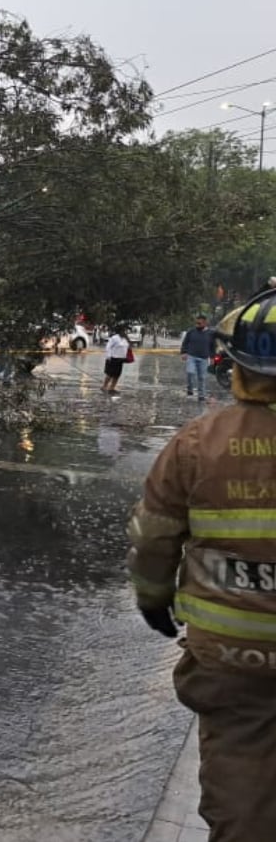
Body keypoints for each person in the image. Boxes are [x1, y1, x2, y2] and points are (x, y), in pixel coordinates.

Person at [128, 289, 276, 841]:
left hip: (231, 661)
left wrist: (153, 599)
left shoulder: (198, 443)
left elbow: (154, 538)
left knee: (241, 791)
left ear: (238, 364)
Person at [183, 314, 215, 401]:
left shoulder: (210, 333)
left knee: (202, 377)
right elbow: (185, 342)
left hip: (204, 358)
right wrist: (184, 352)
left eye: (199, 323)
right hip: (191, 357)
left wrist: (212, 358)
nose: (197, 325)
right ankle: (190, 389)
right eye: (196, 323)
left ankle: (201, 395)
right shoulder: (191, 331)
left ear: (205, 323)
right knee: (190, 372)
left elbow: (212, 346)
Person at [102, 323, 131, 395]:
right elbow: (108, 347)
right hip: (113, 358)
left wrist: (128, 340)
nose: (126, 332)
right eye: (124, 331)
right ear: (120, 331)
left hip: (121, 359)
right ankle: (104, 386)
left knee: (117, 375)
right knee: (110, 374)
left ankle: (112, 388)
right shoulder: (114, 338)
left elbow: (128, 347)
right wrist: (109, 356)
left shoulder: (125, 339)